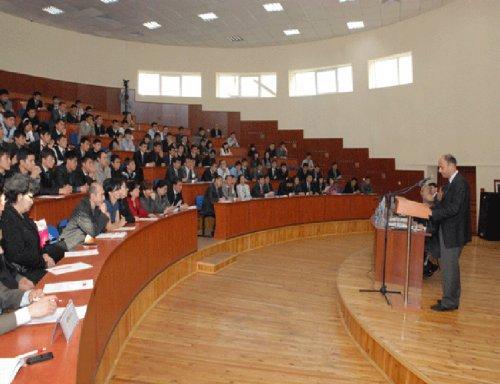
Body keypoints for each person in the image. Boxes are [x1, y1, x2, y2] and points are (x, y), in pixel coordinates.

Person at [1, 174, 65, 283]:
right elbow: (18, 256)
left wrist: (44, 254)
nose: (32, 201)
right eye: (30, 197)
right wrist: (43, 262)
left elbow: (36, 242)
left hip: (35, 261)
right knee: (56, 278)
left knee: (60, 250)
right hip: (23, 271)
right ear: (20, 196)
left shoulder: (23, 214)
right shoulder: (8, 219)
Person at [429, 155, 471, 312]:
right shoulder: (450, 184)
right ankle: (450, 298)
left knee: (449, 268)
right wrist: (437, 201)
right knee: (450, 267)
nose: (440, 170)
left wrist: (433, 214)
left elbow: (454, 209)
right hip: (447, 231)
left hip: (453, 233)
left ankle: (449, 302)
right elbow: (446, 206)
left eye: (441, 167)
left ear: (451, 165)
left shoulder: (460, 183)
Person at [59, 183, 110, 250]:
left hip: (83, 244)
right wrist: (103, 215)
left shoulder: (96, 207)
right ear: (92, 196)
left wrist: (104, 215)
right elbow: (93, 232)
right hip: (69, 246)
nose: (104, 198)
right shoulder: (82, 209)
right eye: (101, 195)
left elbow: (101, 229)